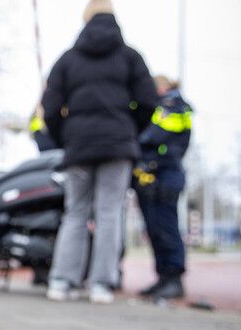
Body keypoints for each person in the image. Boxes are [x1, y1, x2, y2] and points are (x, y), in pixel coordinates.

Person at [42, 0, 158, 303]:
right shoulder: (130, 57)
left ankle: (61, 281)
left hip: (78, 146)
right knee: (109, 213)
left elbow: (51, 107)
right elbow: (148, 101)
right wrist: (130, 129)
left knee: (75, 213)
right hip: (118, 146)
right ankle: (101, 285)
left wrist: (63, 137)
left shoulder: (68, 60)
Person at [134, 76, 192, 299]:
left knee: (167, 229)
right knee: (154, 230)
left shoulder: (174, 106)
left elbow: (153, 135)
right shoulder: (157, 107)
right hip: (151, 177)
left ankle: (174, 278)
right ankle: (162, 278)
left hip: (166, 175)